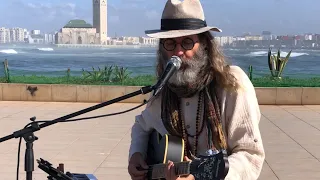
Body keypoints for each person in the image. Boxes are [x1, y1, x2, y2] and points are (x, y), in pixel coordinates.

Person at [128, 0, 265, 179]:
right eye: (170, 43)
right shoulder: (165, 88)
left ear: (204, 45)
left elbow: (250, 154)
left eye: (186, 43)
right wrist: (136, 154)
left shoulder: (232, 83)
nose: (178, 52)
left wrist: (200, 177)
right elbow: (142, 125)